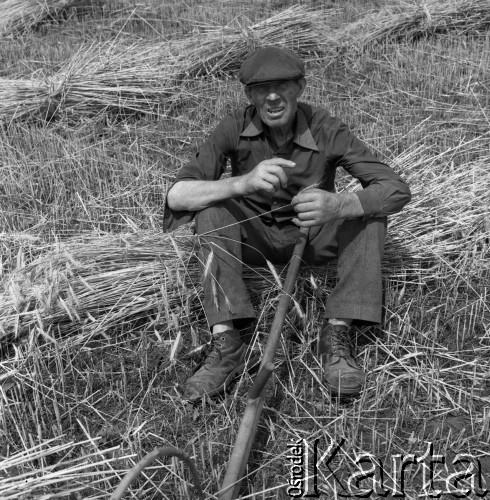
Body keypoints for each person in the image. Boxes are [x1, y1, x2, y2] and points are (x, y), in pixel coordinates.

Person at [164, 46, 411, 401]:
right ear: (250, 95)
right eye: (262, 88)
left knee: (369, 214)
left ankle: (335, 338)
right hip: (253, 241)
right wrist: (242, 183)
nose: (274, 96)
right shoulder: (232, 127)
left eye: (283, 86)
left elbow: (395, 189)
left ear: (300, 88)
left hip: (311, 238)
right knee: (211, 213)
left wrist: (338, 204)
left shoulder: (325, 128)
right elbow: (176, 196)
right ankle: (226, 343)